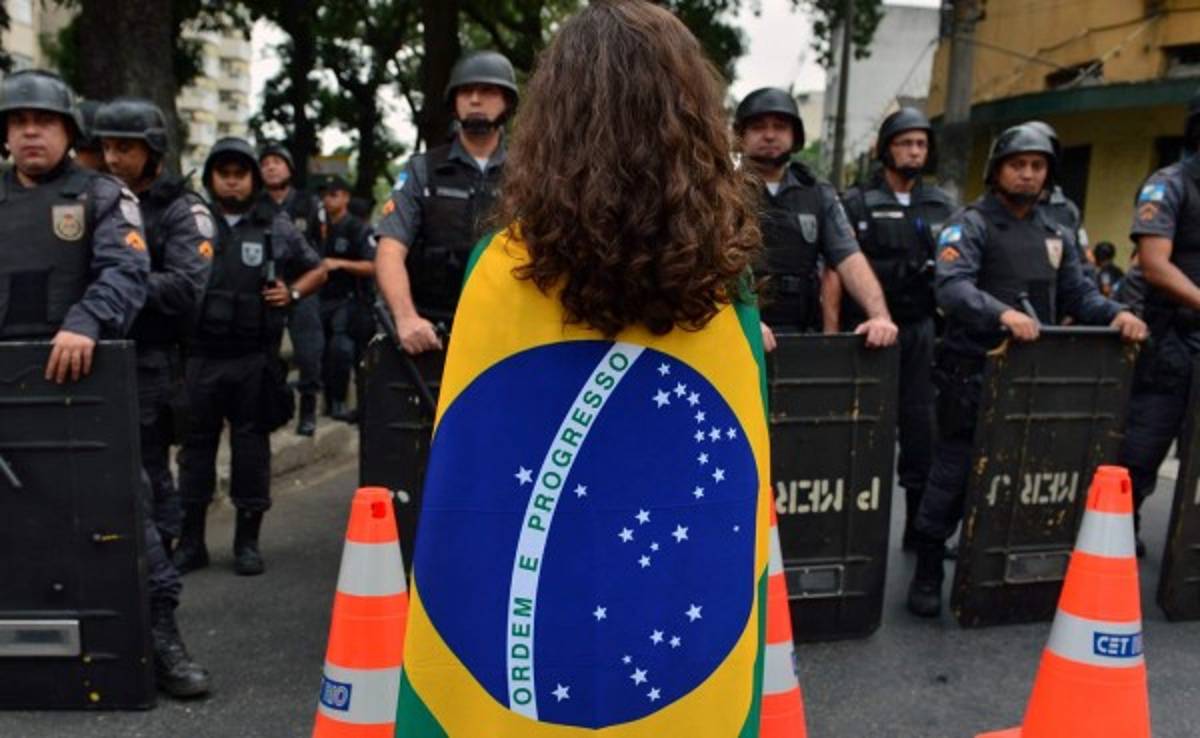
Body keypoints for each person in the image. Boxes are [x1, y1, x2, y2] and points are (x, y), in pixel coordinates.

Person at [393, 4, 774, 733]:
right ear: (692, 119)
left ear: (550, 123)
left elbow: (469, 485)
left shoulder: (494, 270)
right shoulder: (727, 285)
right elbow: (740, 490)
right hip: (675, 654)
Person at [0, 70, 209, 697]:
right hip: (6, 384)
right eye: (17, 122)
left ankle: (161, 638)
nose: (30, 132)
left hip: (82, 381)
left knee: (127, 510)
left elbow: (127, 269)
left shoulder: (101, 194)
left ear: (68, 130)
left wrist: (85, 322)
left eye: (44, 121)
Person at [906, 123, 1146, 617]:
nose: (1028, 175)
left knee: (1026, 479)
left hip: (1034, 379)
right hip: (974, 374)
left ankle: (1001, 571)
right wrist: (1002, 314)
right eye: (1019, 165)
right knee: (951, 480)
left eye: (1037, 167)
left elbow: (1077, 292)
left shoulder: (1054, 229)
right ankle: (928, 569)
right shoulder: (970, 223)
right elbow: (951, 286)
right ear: (998, 170)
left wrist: (1115, 313)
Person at [174, 137, 325, 577]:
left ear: (253, 179)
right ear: (211, 178)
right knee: (195, 452)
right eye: (224, 172)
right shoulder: (193, 222)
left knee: (251, 452)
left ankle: (247, 543)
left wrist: (293, 292)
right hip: (200, 357)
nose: (233, 180)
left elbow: (317, 267)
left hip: (253, 359)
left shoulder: (274, 224)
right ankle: (191, 543)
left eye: (241, 172)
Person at [824, 107, 958, 550]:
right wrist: (831, 340)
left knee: (922, 433)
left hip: (920, 333)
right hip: (866, 337)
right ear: (886, 149)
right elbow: (836, 273)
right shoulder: (856, 202)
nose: (914, 151)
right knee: (858, 437)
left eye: (921, 143)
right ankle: (849, 532)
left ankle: (919, 531)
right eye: (905, 143)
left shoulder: (942, 205)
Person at [94, 97, 215, 551]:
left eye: (124, 148)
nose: (112, 159)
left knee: (148, 466)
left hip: (151, 359)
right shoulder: (96, 199)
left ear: (152, 151)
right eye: (106, 147)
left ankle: (162, 555)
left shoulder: (182, 210)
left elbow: (187, 285)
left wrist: (116, 284)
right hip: (96, 352)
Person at [732, 87, 897, 351]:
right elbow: (707, 266)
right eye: (759, 127)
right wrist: (741, 321)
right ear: (741, 135)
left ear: (795, 136)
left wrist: (880, 316)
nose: (770, 134)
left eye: (780, 126)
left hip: (802, 336)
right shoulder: (722, 190)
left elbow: (848, 257)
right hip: (740, 334)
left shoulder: (819, 194)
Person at [375, 50, 516, 354]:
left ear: (507, 101)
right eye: (466, 92)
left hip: (507, 335)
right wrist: (406, 318)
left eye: (488, 90)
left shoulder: (530, 173)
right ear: (454, 102)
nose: (475, 99)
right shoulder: (422, 169)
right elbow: (389, 249)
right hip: (431, 335)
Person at [1118, 89, 1200, 554]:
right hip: (1171, 338)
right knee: (1142, 450)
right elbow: (1154, 263)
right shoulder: (1169, 184)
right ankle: (1116, 534)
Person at [260, 141, 324, 436]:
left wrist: (297, 289)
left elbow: (318, 249)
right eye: (265, 162)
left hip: (303, 286)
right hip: (266, 288)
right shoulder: (255, 203)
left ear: (289, 168)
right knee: (265, 354)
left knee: (309, 352)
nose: (271, 167)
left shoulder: (307, 203)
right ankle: (272, 408)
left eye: (277, 161)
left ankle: (308, 411)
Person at [316, 175, 376, 421]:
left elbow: (372, 265)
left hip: (351, 300)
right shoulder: (319, 228)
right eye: (325, 195)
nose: (328, 200)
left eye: (334, 194)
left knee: (343, 351)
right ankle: (332, 403)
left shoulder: (357, 228)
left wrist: (339, 263)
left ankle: (353, 406)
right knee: (324, 353)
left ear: (345, 197)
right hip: (322, 299)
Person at [1024, 120, 1095, 282]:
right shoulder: (993, 208)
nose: (1028, 173)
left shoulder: (1067, 210)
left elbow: (1083, 263)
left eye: (1038, 164)